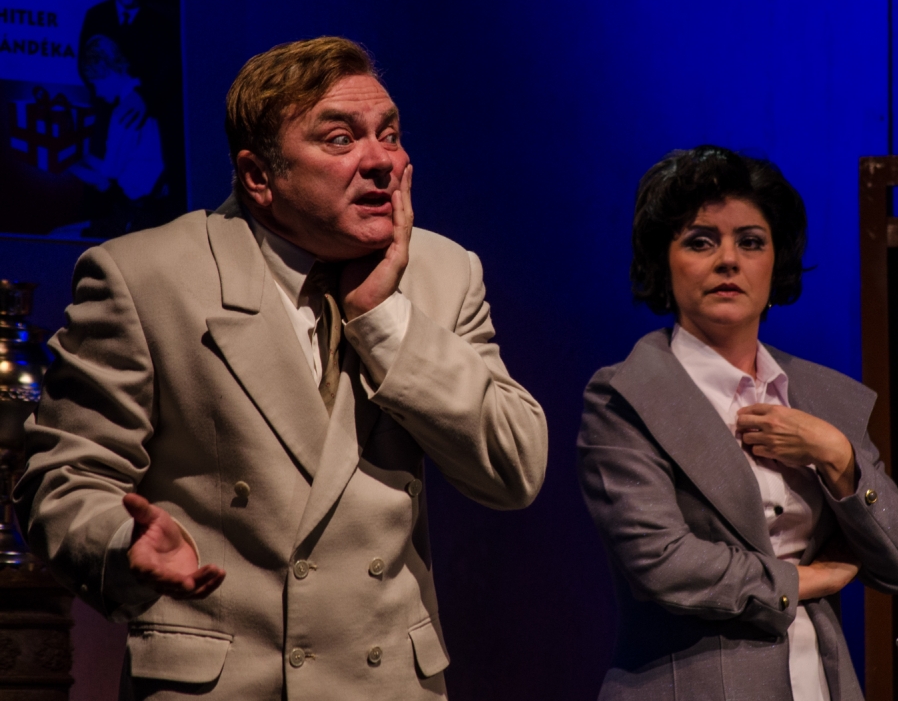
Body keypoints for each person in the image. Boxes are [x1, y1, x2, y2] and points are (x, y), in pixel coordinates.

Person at [15, 37, 548, 700]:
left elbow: (513, 468)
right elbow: (64, 479)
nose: (381, 160)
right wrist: (124, 546)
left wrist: (384, 321)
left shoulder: (443, 271)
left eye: (389, 134)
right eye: (340, 139)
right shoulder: (147, 278)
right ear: (259, 176)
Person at [577, 145, 898, 700]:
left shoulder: (820, 395)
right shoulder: (626, 397)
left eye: (750, 241)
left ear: (775, 262)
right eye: (700, 241)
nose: (728, 260)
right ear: (663, 262)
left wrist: (836, 454)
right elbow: (662, 562)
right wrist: (799, 580)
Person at [68, 34, 166, 228]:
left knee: (59, 234)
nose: (97, 93)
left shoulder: (125, 110)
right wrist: (84, 159)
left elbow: (106, 176)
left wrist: (68, 169)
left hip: (138, 213)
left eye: (94, 83)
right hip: (143, 206)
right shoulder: (143, 98)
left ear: (103, 69)